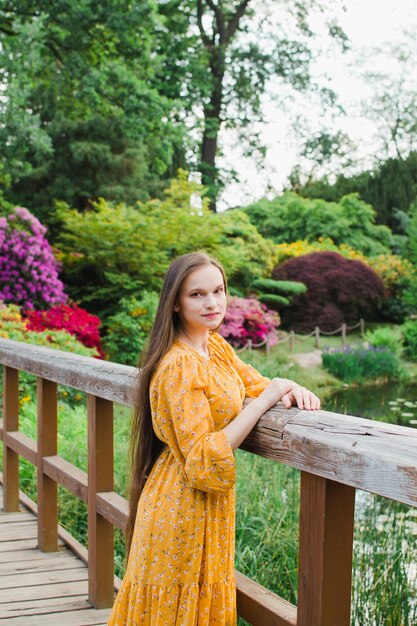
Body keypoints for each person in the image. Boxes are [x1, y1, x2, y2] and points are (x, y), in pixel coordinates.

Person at [108, 251, 320, 626]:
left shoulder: (214, 346)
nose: (212, 303)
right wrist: (267, 399)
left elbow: (253, 384)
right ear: (174, 303)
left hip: (206, 508)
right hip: (181, 509)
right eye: (197, 294)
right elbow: (204, 457)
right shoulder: (179, 366)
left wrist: (288, 389)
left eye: (218, 290)